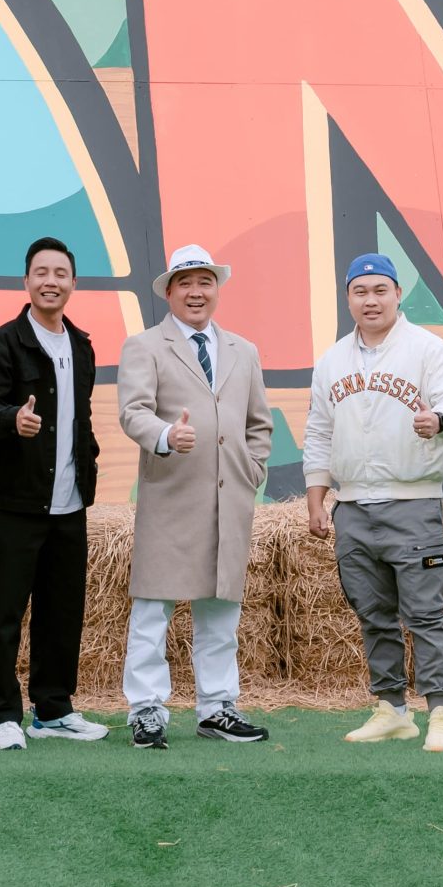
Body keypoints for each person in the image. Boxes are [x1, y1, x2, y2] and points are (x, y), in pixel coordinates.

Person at [302, 253, 443, 752]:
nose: (371, 300)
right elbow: (319, 432)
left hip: (413, 504)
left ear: (398, 294)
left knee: (425, 614)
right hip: (354, 508)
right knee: (374, 613)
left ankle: (440, 714)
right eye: (360, 291)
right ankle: (392, 710)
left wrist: (437, 420)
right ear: (348, 299)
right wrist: (317, 498)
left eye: (380, 290)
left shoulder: (429, 350)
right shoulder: (332, 361)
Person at [116, 243, 272, 747]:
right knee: (152, 611)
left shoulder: (243, 351)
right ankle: (146, 710)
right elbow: (133, 412)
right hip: (170, 498)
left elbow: (258, 424)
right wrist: (166, 435)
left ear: (217, 290)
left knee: (220, 612)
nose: (196, 292)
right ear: (169, 292)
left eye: (205, 281)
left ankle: (218, 708)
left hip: (229, 504)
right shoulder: (144, 346)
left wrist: (251, 470)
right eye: (185, 283)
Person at [0, 236, 109, 749]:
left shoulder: (82, 346)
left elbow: (81, 418)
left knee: (62, 613)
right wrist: (13, 419)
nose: (51, 282)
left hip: (70, 503)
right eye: (41, 273)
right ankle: (2, 716)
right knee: (7, 614)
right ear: (26, 281)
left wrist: (89, 463)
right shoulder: (4, 342)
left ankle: (53, 710)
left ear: (73, 283)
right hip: (17, 502)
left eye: (61, 274)